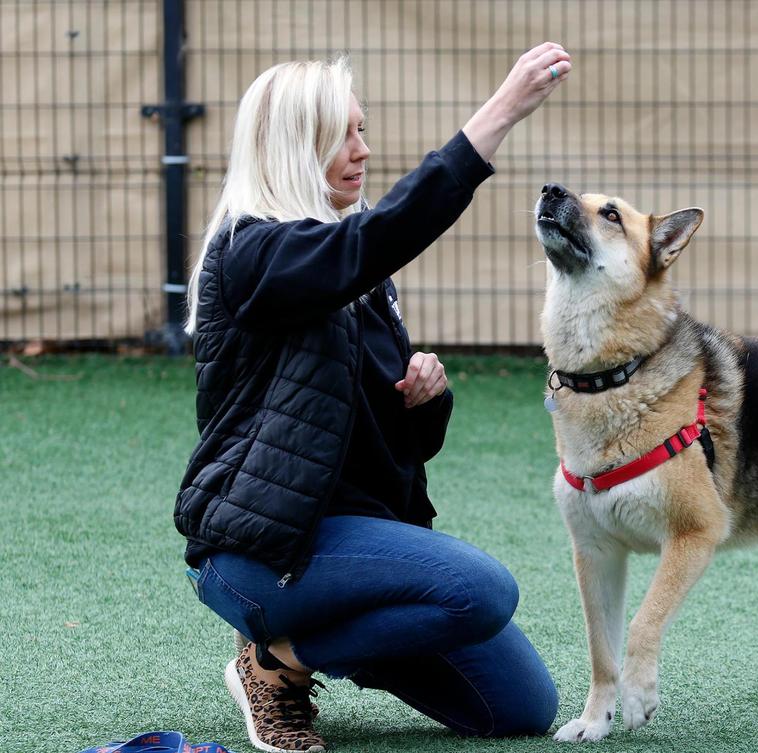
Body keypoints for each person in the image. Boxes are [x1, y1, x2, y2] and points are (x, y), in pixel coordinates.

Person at [174, 43, 571, 753]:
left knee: (519, 707)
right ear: (299, 145)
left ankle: (323, 640)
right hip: (260, 555)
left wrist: (426, 401)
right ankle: (276, 662)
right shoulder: (255, 252)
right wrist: (501, 113)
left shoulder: (349, 271)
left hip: (351, 543)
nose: (363, 149)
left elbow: (394, 443)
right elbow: (382, 236)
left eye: (362, 129)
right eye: (344, 135)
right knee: (481, 590)